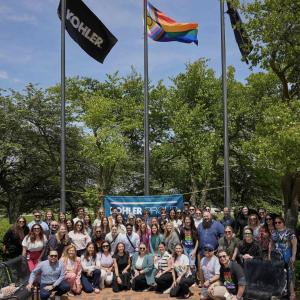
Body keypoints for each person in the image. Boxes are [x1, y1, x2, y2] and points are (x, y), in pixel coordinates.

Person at [271, 216, 297, 300]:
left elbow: (294, 244)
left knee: (290, 275)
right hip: (277, 257)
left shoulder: (290, 232)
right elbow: (271, 245)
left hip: (288, 257)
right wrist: (270, 255)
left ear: (283, 222)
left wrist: (293, 256)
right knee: (279, 275)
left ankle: (292, 294)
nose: (277, 224)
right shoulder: (274, 232)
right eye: (275, 222)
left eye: (279, 222)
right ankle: (281, 293)